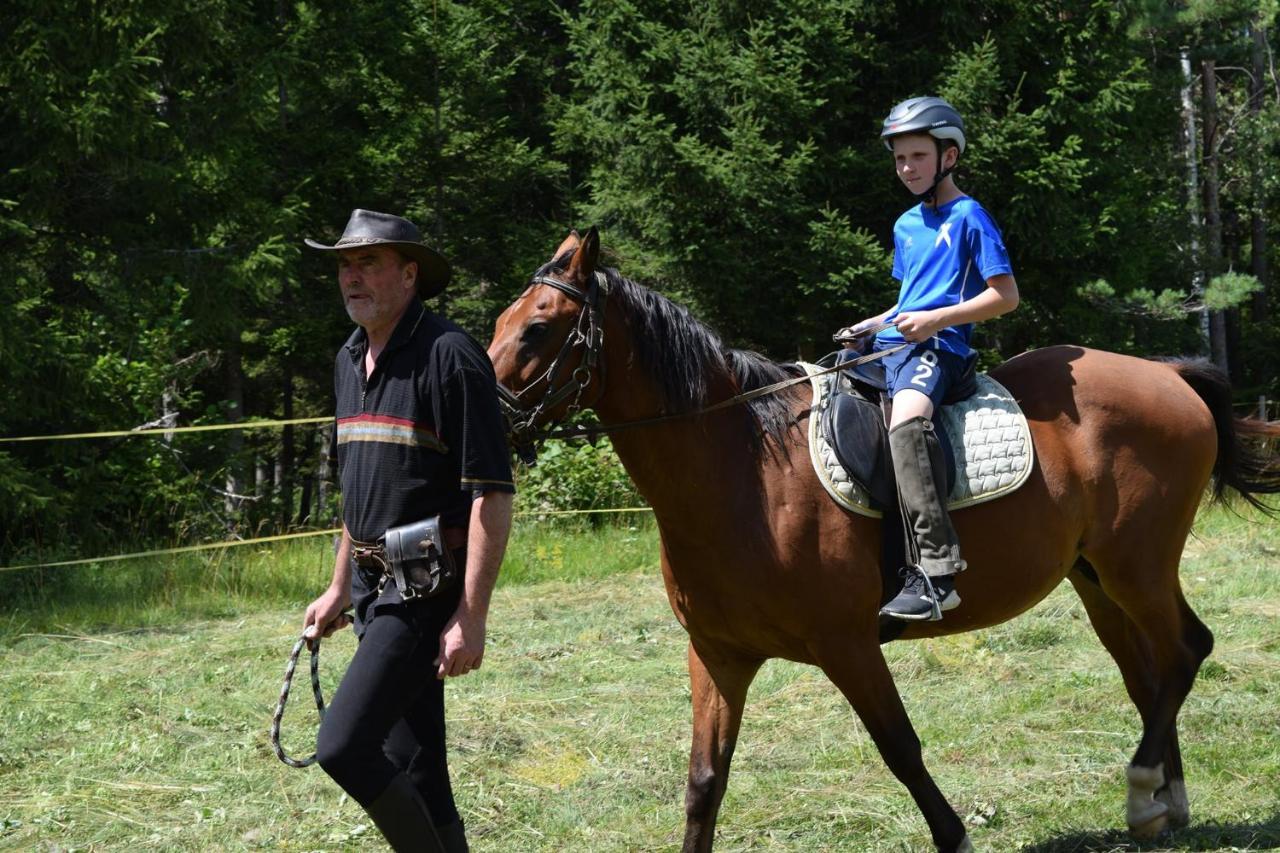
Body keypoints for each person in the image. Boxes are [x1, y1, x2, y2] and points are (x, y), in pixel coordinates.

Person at [302, 209, 515, 851]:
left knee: (343, 747)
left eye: (369, 263)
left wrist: (470, 616)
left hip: (422, 582)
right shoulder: (347, 357)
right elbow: (359, 492)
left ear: (410, 274)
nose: (352, 277)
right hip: (369, 587)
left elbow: (492, 494)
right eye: (345, 264)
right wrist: (339, 587)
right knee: (420, 769)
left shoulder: (450, 356)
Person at [839, 96, 1019, 622]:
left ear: (949, 157)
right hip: (898, 341)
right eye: (899, 159)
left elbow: (1005, 297)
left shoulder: (970, 216)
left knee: (906, 425)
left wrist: (938, 322)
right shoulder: (905, 225)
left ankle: (937, 574)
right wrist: (872, 324)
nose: (906, 168)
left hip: (943, 349)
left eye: (917, 156)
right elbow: (911, 298)